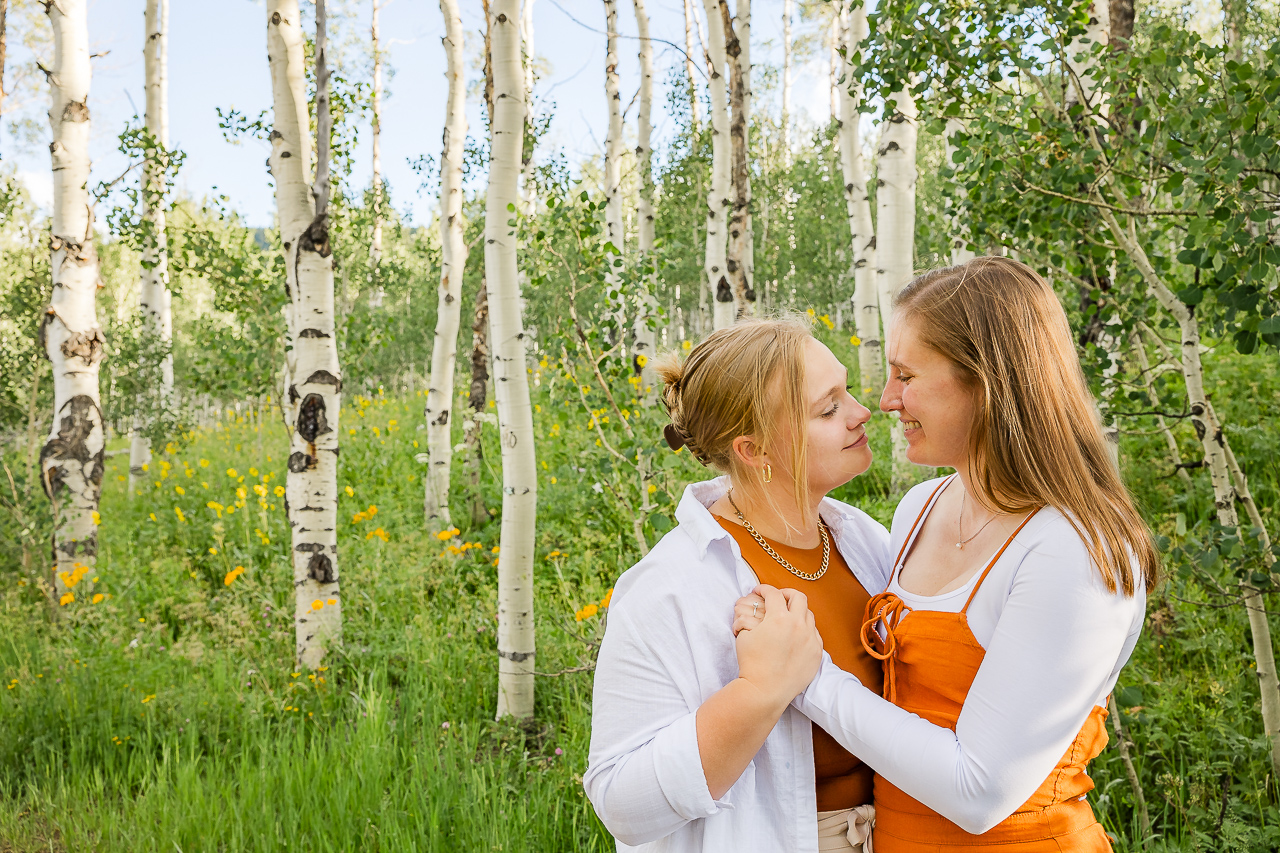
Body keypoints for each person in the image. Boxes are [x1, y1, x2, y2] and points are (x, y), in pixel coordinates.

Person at [734, 257, 1160, 852]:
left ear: (986, 383)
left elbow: (978, 791)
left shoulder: (1072, 549)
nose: (885, 400)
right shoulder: (920, 508)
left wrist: (804, 676)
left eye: (906, 376)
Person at [584, 317, 890, 852]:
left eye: (847, 391)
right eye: (828, 408)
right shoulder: (669, 589)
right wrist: (758, 694)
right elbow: (620, 805)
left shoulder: (866, 543)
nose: (862, 413)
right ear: (754, 451)